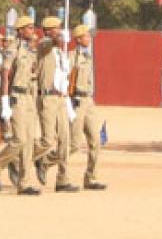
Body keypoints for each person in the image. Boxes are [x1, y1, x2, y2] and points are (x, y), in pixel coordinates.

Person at [0, 15, 41, 195]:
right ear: (20, 30)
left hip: (28, 97)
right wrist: (5, 100)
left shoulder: (30, 51)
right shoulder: (12, 48)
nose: (32, 31)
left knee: (29, 141)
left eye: (33, 27)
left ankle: (24, 183)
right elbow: (5, 73)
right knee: (19, 140)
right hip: (15, 96)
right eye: (29, 28)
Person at [32, 16, 78, 192]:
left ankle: (63, 179)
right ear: (49, 30)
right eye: (57, 29)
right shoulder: (45, 45)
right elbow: (47, 44)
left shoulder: (60, 51)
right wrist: (55, 39)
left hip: (60, 98)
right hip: (48, 98)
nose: (60, 31)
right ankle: (21, 159)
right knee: (47, 140)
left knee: (65, 140)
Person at [69, 24, 106, 190]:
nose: (89, 39)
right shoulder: (72, 57)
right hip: (76, 100)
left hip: (89, 101)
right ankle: (45, 162)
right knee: (74, 144)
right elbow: (67, 80)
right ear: (78, 39)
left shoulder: (89, 57)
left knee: (95, 140)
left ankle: (91, 177)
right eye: (86, 36)